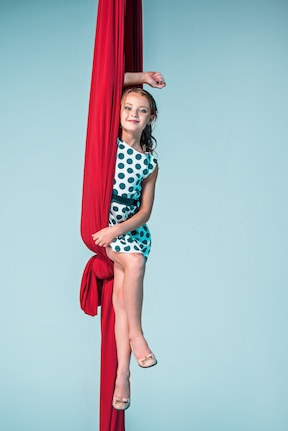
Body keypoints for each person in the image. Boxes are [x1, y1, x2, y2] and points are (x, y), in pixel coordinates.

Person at [92, 71, 166, 411]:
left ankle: (123, 377)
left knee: (122, 303)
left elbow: (145, 212)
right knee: (133, 263)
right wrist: (143, 78)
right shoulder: (109, 144)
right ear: (118, 112)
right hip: (105, 226)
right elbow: (107, 81)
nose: (133, 114)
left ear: (150, 118)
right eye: (128, 108)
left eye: (141, 110)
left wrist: (119, 231)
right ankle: (138, 336)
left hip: (131, 230)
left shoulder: (150, 163)